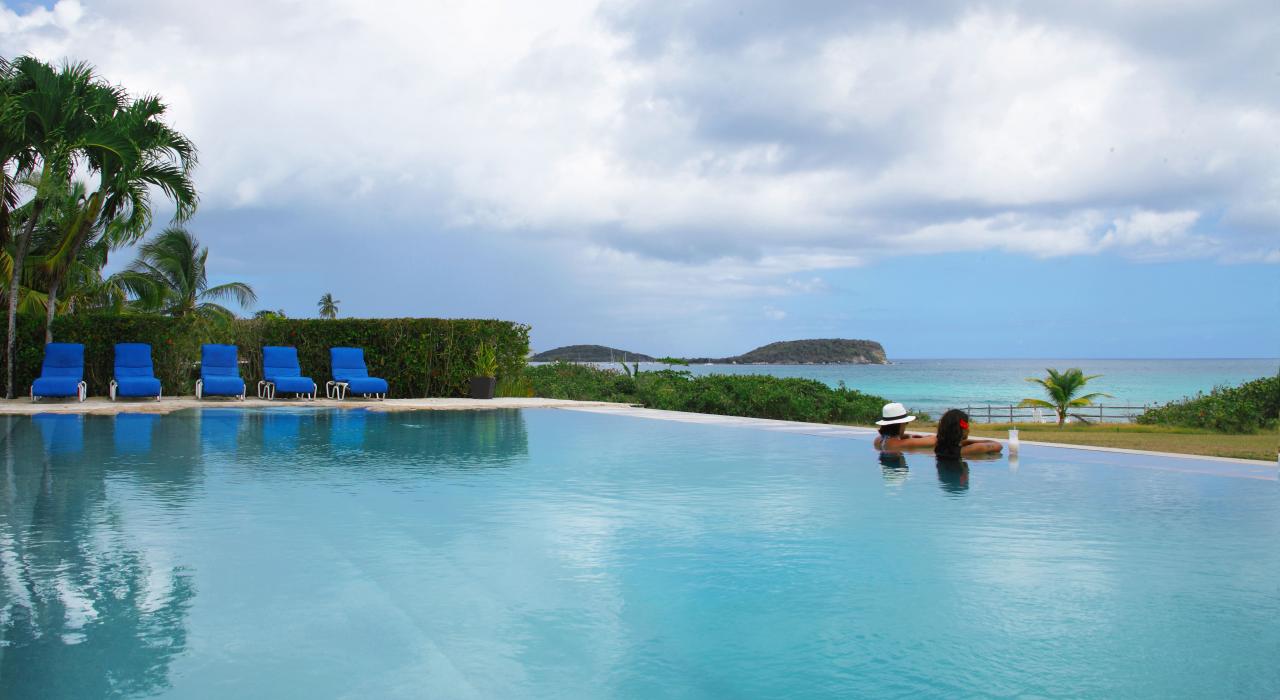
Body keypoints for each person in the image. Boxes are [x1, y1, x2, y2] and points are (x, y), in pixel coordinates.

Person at [933, 408, 1002, 459]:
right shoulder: (974, 448)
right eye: (967, 426)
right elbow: (998, 446)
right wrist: (967, 441)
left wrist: (962, 441)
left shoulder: (938, 447)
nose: (969, 429)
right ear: (962, 430)